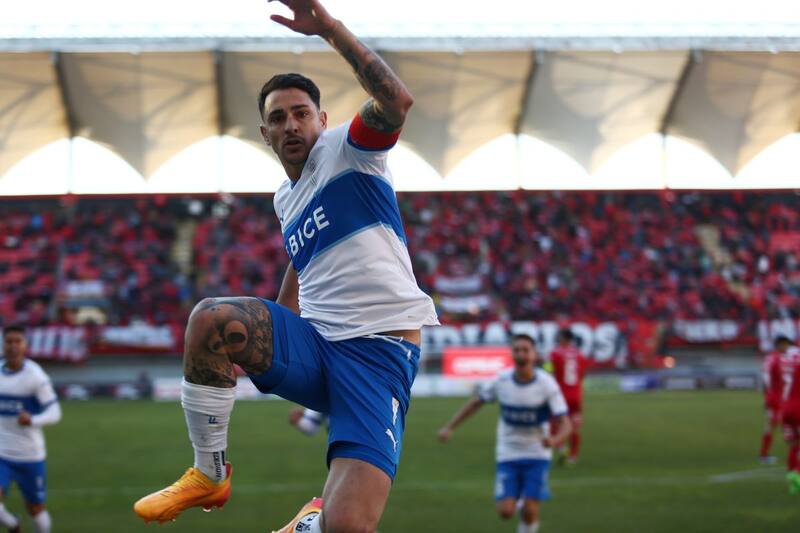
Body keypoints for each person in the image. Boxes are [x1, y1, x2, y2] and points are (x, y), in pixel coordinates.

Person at [133, 0, 438, 531]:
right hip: (317, 344)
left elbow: (396, 100)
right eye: (278, 118)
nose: (291, 124)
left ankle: (310, 524)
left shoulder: (349, 150)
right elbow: (304, 258)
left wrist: (330, 31)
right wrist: (278, 324)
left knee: (349, 527)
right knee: (212, 320)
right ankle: (210, 473)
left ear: (322, 119)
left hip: (377, 354)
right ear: (265, 134)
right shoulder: (285, 198)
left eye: (301, 113)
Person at [438, 334, 572, 533]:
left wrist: (555, 439)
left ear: (534, 355)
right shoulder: (502, 380)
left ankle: (526, 514)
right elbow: (476, 403)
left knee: (530, 510)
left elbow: (566, 424)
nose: (521, 354)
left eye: (525, 350)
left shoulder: (547, 384)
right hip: (508, 453)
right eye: (517, 349)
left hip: (537, 454)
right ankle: (518, 500)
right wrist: (450, 426)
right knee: (505, 512)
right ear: (512, 353)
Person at [0, 325, 62, 533]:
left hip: (30, 456)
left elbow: (55, 412)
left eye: (18, 341)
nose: (13, 346)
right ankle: (13, 524)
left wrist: (33, 420)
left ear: (25, 345)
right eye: (9, 341)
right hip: (2, 453)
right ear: (3, 344)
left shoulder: (35, 376)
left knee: (35, 510)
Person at [548, 328, 589, 465]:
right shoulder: (580, 355)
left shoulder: (554, 353)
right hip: (576, 395)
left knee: (552, 423)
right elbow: (582, 375)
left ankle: (561, 447)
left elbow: (548, 371)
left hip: (560, 395)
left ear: (563, 338)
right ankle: (573, 456)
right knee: (573, 426)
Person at [759, 335, 793, 464]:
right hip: (775, 398)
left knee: (776, 424)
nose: (787, 347)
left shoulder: (778, 358)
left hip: (780, 397)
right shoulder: (774, 358)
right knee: (772, 424)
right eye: (786, 344)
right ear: (780, 344)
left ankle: (764, 454)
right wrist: (768, 395)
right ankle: (763, 455)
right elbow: (766, 376)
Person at [778, 337, 800, 493]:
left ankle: (792, 482)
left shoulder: (784, 358)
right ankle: (797, 473)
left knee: (794, 445)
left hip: (785, 407)